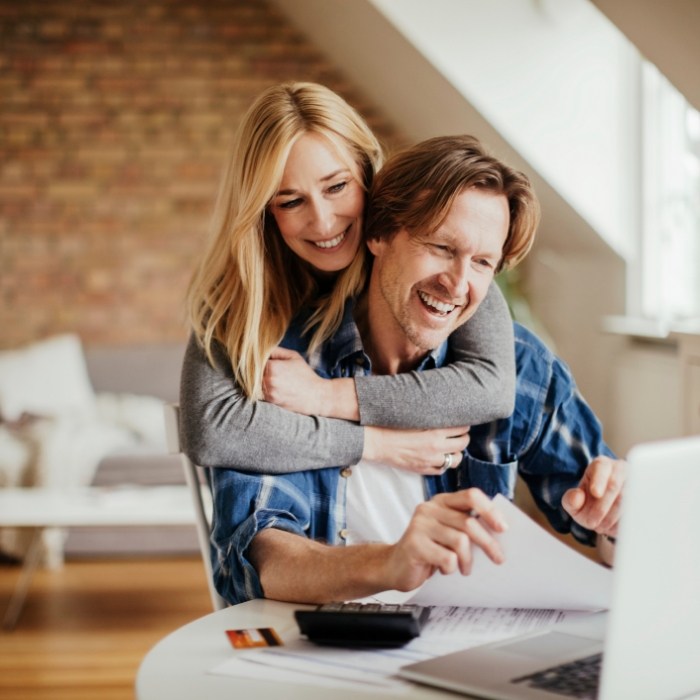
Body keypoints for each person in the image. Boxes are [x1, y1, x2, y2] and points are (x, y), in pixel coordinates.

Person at [207, 134, 625, 606]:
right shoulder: (286, 369)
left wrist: (616, 520)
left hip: (470, 648)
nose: (458, 284)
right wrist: (389, 562)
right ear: (379, 234)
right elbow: (263, 559)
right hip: (326, 649)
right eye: (442, 248)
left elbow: (605, 529)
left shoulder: (520, 365)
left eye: (483, 262)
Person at [180, 82, 522, 478]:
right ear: (263, 211)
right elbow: (212, 431)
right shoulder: (240, 293)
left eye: (337, 187)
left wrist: (326, 397)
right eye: (291, 201)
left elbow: (491, 388)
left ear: (365, 171)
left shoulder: (423, 254)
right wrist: (378, 444)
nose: (324, 222)